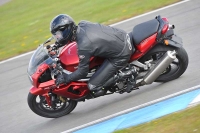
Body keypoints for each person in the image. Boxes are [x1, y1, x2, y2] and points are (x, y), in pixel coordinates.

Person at [50, 14, 135, 97]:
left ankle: (129, 73)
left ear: (66, 30)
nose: (57, 37)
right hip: (122, 36)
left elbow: (82, 72)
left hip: (121, 53)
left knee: (92, 86)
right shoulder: (82, 24)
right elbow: (71, 38)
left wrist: (65, 78)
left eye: (58, 34)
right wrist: (57, 45)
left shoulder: (84, 46)